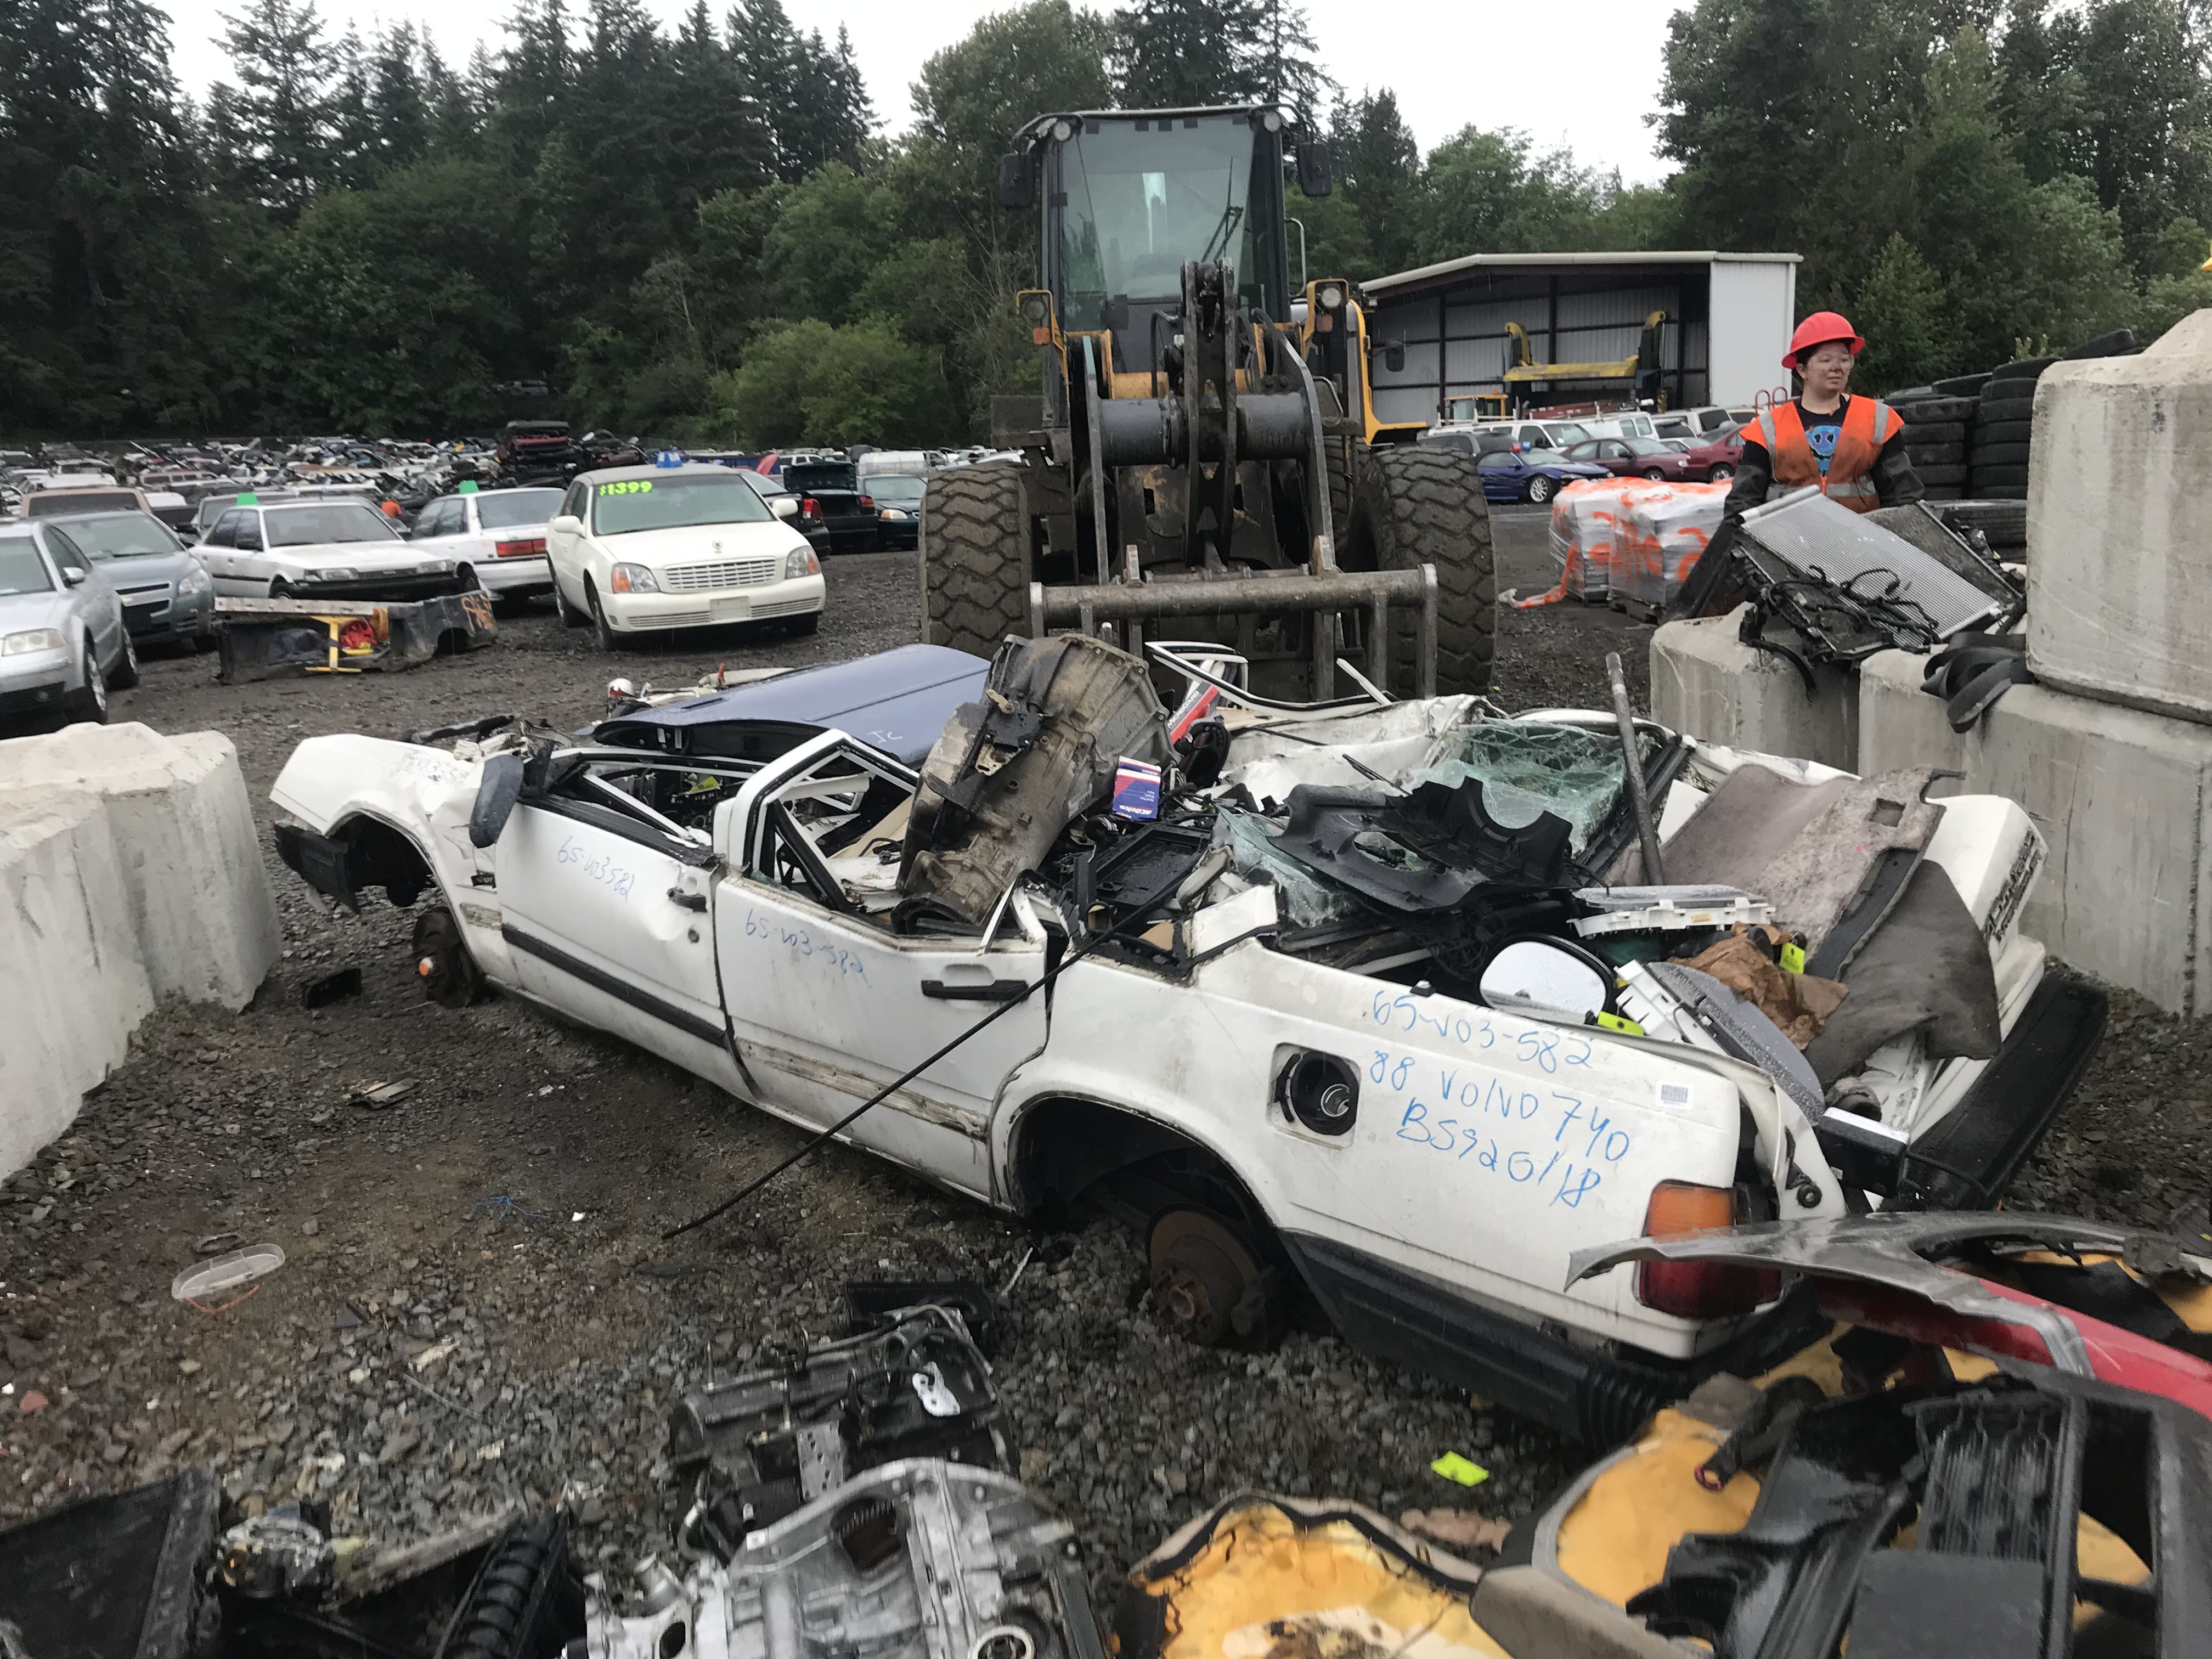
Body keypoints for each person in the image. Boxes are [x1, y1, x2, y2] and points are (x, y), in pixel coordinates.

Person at [1723, 312, 1922, 516]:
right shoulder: (1767, 430)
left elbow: (1903, 497)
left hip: (1860, 541)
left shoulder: (1879, 420)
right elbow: (1742, 503)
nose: (1837, 368)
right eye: (1826, 360)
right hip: (1788, 543)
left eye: (1845, 360)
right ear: (1802, 370)